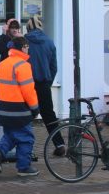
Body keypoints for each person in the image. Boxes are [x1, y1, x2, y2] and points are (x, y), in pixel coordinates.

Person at [0, 36, 40, 177]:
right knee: (26, 138)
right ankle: (24, 168)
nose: (28, 49)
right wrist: (35, 108)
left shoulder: (4, 64)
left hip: (4, 108)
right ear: (23, 47)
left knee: (11, 136)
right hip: (20, 109)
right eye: (27, 46)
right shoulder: (23, 65)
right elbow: (28, 90)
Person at [25, 15, 65, 156]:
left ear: (28, 27)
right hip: (44, 84)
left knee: (26, 116)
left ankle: (26, 149)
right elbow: (54, 66)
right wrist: (48, 82)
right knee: (49, 115)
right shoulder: (49, 42)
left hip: (27, 84)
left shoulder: (25, 42)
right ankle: (59, 144)